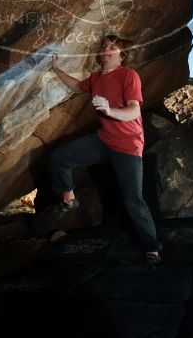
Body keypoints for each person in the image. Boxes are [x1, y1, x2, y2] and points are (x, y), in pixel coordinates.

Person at [49, 34, 163, 266]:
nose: (106, 50)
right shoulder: (95, 78)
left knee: (134, 201)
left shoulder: (128, 75)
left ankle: (153, 248)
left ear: (122, 56)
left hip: (127, 145)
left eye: (113, 48)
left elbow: (133, 111)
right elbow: (76, 85)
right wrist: (56, 68)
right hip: (103, 140)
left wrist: (110, 111)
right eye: (105, 47)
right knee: (59, 157)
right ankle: (70, 200)